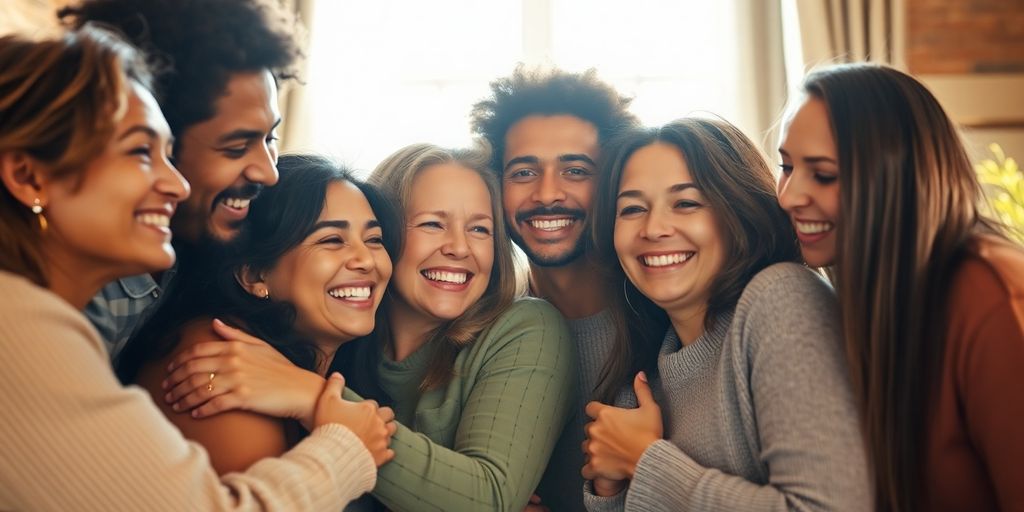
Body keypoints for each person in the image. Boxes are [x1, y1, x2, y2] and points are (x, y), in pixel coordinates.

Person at [0, 28, 385, 511]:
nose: (175, 183)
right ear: (28, 175)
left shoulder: (163, 280)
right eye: (142, 152)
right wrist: (344, 445)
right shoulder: (17, 325)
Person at [161, 143, 577, 511]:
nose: (459, 246)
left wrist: (313, 396)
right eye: (432, 223)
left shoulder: (524, 326)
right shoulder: (321, 343)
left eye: (480, 229)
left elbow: (488, 498)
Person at [581, 118, 871, 510]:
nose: (654, 228)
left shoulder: (781, 298)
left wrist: (644, 461)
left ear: (737, 213)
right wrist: (609, 488)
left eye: (686, 203)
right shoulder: (644, 377)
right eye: (632, 208)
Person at [776, 63, 1024, 512]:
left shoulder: (990, 296)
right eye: (786, 166)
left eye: (824, 174)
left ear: (894, 177)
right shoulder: (865, 296)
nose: (789, 195)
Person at [115, 154, 398, 475]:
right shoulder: (216, 360)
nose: (366, 260)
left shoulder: (321, 367)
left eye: (374, 240)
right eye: (332, 240)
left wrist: (314, 397)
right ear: (254, 276)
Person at [59, 0, 302, 356]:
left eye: (270, 139)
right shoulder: (72, 283)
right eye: (236, 148)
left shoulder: (219, 244)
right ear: (154, 139)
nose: (268, 173)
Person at [470, 66, 638, 511]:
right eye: (523, 173)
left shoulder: (662, 320)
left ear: (614, 182)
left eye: (576, 171)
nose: (547, 194)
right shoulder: (481, 330)